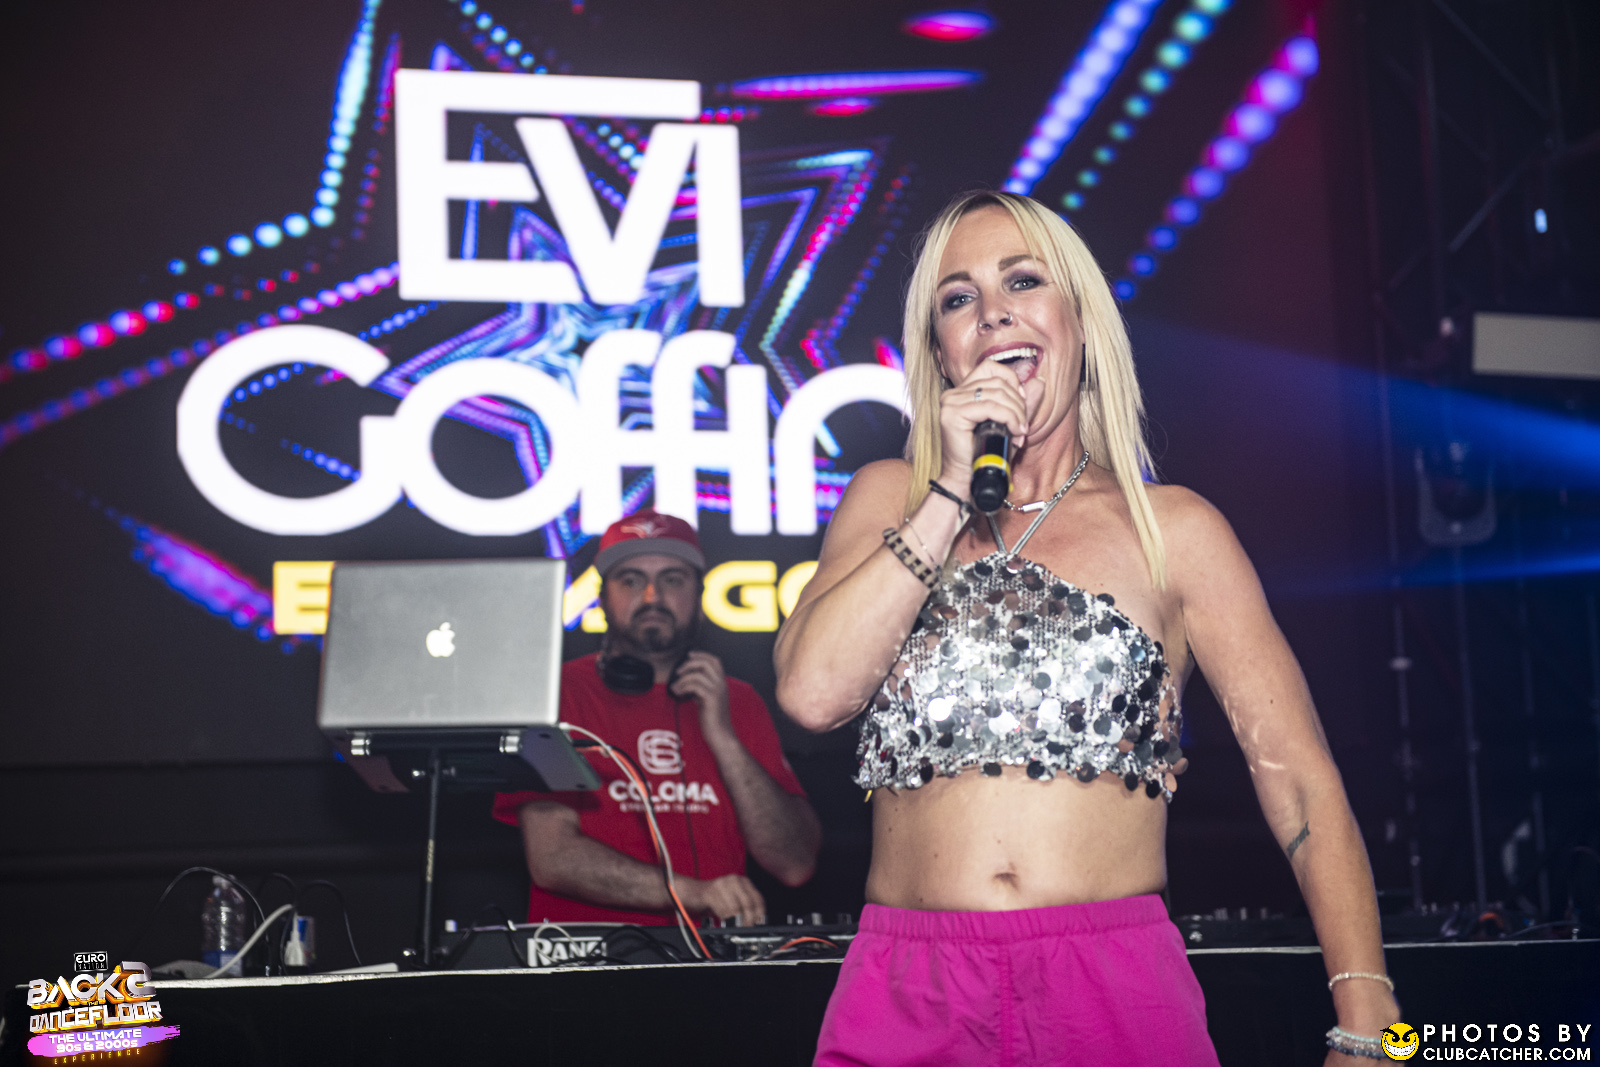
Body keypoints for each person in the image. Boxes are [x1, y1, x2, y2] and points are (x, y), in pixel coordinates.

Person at [775, 191, 1401, 1065]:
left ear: (1078, 319)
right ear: (942, 353)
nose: (992, 311)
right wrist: (946, 494)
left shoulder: (1173, 528)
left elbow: (1299, 782)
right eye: (958, 298)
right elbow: (813, 694)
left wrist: (1373, 1021)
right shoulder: (888, 499)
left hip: (1109, 983)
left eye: (1022, 280)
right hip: (910, 985)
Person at [493, 509, 822, 928]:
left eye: (672, 579)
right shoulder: (554, 695)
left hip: (709, 957)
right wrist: (693, 893)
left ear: (700, 596)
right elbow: (552, 858)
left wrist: (723, 738)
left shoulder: (738, 700)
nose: (652, 596)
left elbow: (794, 863)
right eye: (631, 580)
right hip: (582, 958)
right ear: (602, 599)